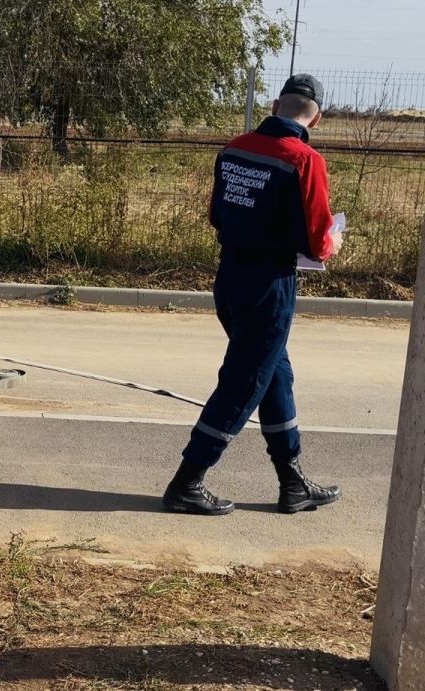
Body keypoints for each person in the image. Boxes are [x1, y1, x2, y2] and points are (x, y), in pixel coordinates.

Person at [162, 74, 345, 516]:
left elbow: (216, 214)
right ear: (316, 119)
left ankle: (292, 482)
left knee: (274, 375)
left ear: (276, 106)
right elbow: (317, 241)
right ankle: (187, 482)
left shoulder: (234, 148)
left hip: (230, 277)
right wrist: (332, 242)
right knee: (244, 383)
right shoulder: (305, 160)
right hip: (270, 286)